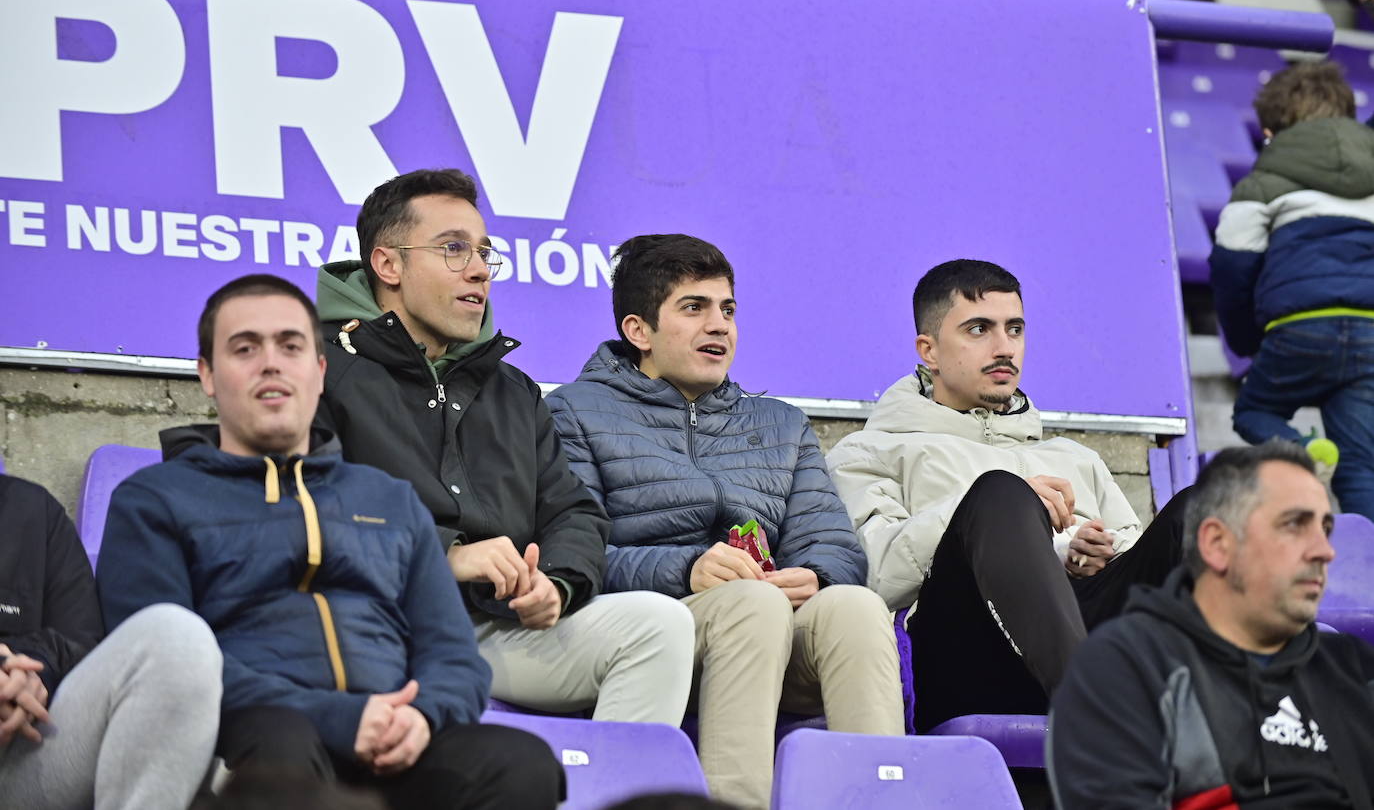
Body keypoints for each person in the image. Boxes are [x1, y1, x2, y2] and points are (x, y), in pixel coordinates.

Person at [97, 274, 562, 810]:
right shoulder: (156, 500)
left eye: (291, 347)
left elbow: (452, 654)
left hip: (396, 735)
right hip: (256, 738)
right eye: (245, 348)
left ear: (319, 371)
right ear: (207, 374)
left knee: (518, 763)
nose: (270, 363)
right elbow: (164, 663)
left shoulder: (388, 499)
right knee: (282, 750)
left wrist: (421, 715)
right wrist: (341, 719)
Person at [315, 169, 694, 724]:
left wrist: (557, 585)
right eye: (452, 249)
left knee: (659, 626)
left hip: (493, 629)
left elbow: (574, 511)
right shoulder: (317, 368)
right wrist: (444, 554)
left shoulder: (512, 390)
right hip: (367, 623)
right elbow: (302, 504)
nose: (477, 270)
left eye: (484, 254)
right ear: (388, 264)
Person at [546, 234, 902, 810]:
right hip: (657, 627)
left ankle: (883, 803)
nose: (719, 326)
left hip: (774, 631)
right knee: (750, 604)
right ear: (639, 330)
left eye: (728, 310)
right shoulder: (572, 412)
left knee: (856, 605)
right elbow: (574, 553)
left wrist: (814, 576)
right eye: (695, 308)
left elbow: (833, 543)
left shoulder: (781, 424)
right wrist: (687, 569)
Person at [825, 259, 1187, 732]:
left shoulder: (1074, 458)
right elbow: (872, 580)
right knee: (1000, 495)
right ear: (928, 350)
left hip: (1082, 642)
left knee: (1207, 510)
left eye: (1014, 329)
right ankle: (1099, 722)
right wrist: (992, 514)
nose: (1003, 347)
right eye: (979, 329)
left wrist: (1084, 553)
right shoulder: (870, 451)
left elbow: (1136, 566)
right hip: (965, 660)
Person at [1048, 441, 1374, 808]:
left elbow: (1130, 542)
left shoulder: (1347, 664)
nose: (1323, 550)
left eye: (1325, 528)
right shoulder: (1138, 683)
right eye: (1293, 526)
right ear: (1217, 544)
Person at [1210, 61, 1374, 519]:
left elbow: (1231, 265)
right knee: (1362, 466)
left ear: (1270, 132)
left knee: (1253, 411)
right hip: (1370, 333)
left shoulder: (1261, 183)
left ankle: (1306, 449)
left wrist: (1245, 343)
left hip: (1299, 328)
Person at [0, 473, 221, 810]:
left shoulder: (32, 510)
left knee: (173, 636)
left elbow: (81, 640)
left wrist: (29, 672)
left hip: (20, 757)